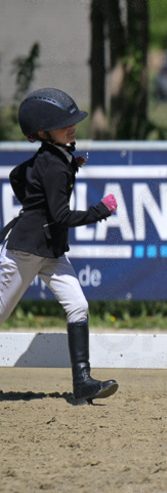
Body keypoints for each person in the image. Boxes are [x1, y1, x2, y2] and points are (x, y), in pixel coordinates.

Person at [0, 88, 119, 404]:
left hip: (51, 251)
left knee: (78, 306)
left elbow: (16, 175)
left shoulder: (55, 156)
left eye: (72, 120)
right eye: (61, 123)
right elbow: (62, 215)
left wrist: (32, 205)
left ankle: (82, 384)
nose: (71, 126)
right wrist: (100, 211)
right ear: (42, 133)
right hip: (25, 252)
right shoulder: (53, 163)